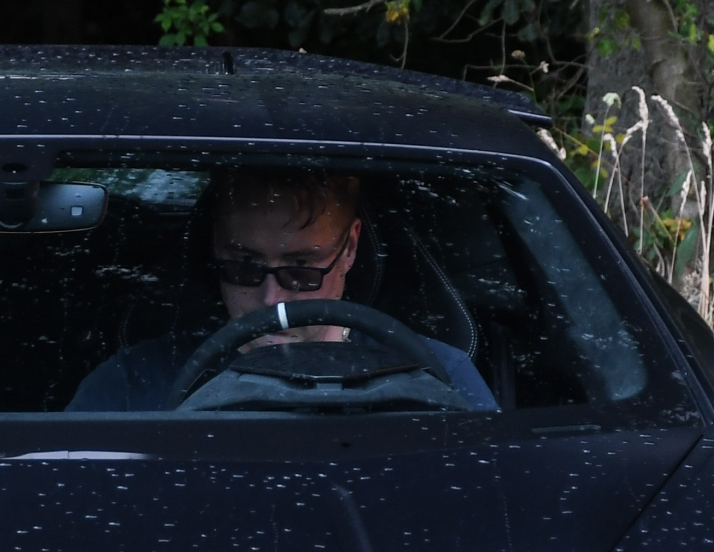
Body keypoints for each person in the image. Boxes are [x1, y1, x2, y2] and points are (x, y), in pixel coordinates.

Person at [66, 165, 496, 412]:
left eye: (301, 269)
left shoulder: (440, 379)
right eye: (244, 266)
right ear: (213, 246)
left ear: (349, 249)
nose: (272, 301)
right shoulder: (131, 387)